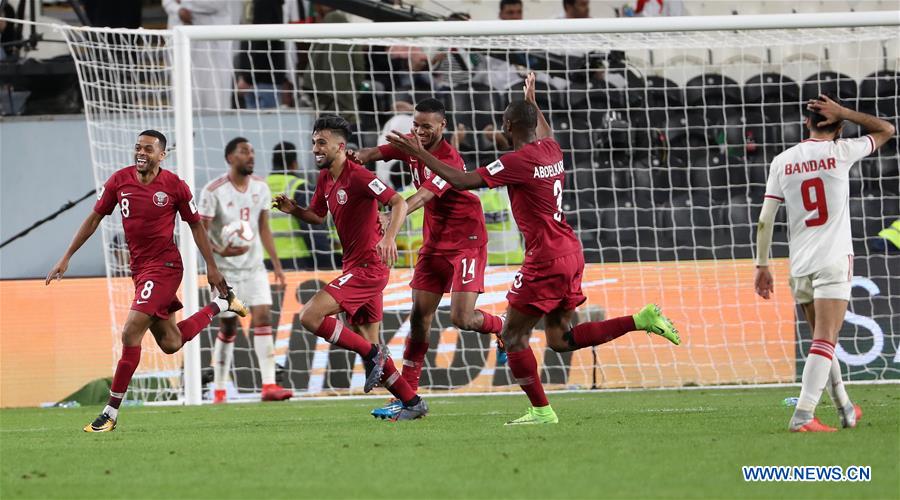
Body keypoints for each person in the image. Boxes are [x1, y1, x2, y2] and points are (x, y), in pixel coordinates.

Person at [386, 74, 680, 425]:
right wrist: (534, 101)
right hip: (571, 251)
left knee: (512, 336)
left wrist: (419, 154)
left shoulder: (516, 161)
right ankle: (641, 319)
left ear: (508, 125)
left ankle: (542, 411)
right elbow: (544, 129)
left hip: (545, 258)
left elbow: (463, 181)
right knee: (559, 338)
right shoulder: (551, 149)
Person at [46, 130, 248, 432]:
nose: (141, 153)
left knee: (130, 333)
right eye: (138, 148)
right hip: (140, 271)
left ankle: (110, 413)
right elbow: (93, 219)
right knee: (170, 342)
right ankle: (222, 303)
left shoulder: (175, 186)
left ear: (161, 155)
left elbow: (195, 226)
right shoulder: (119, 181)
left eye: (148, 149)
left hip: (165, 267)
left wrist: (211, 266)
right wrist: (66, 256)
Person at [347, 98, 505, 419]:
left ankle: (504, 326)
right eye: (416, 125)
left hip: (467, 241)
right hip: (435, 242)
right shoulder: (411, 144)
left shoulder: (450, 160)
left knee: (461, 318)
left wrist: (393, 217)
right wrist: (354, 156)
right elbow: (373, 154)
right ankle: (408, 396)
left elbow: (420, 197)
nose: (419, 132)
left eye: (426, 127)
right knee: (420, 317)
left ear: (442, 127)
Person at [754, 94, 894, 432]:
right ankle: (803, 414)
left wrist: (762, 265)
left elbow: (764, 220)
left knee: (821, 338)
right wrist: (844, 111)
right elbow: (887, 129)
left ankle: (845, 407)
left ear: (806, 123)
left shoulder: (782, 160)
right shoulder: (841, 152)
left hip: (799, 264)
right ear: (840, 127)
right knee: (826, 339)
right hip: (832, 260)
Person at [273, 115, 428, 420]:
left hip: (370, 266)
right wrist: (296, 210)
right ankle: (412, 403)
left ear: (340, 147)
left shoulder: (358, 175)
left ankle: (373, 354)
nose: (315, 148)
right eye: (314, 142)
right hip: (353, 265)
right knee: (368, 344)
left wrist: (389, 238)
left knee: (310, 315)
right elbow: (318, 216)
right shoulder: (325, 178)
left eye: (322, 143)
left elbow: (397, 202)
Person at [199, 137, 293, 403]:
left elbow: (264, 225)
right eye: (244, 152)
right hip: (224, 270)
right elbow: (201, 231)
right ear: (230, 158)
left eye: (252, 151)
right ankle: (218, 388)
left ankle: (269, 386)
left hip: (253, 267)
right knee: (229, 327)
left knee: (262, 317)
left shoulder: (261, 188)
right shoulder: (213, 190)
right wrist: (218, 254)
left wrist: (275, 263)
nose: (250, 156)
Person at [163, 0, 242, 110]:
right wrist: (178, 10)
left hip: (213, 49)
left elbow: (215, 4)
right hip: (182, 47)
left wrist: (184, 3)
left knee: (214, 100)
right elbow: (167, 2)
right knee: (184, 99)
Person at [266, 141, 332, 270]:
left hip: (265, 261)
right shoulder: (299, 186)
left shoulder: (261, 186)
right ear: (294, 164)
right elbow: (313, 227)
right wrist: (326, 263)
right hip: (296, 260)